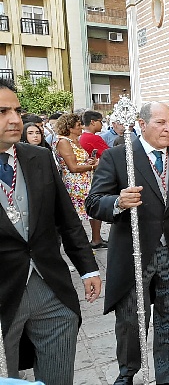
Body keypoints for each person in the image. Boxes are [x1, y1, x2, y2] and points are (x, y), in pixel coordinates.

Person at [86, 102, 169, 385]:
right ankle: (128, 372)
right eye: (160, 123)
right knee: (131, 320)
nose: (168, 128)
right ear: (142, 125)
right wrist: (117, 202)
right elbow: (93, 203)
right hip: (134, 255)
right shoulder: (118, 158)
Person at [0, 77, 101, 385]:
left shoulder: (39, 157)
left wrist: (87, 269)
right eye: (3, 112)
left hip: (49, 287)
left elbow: (66, 219)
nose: (15, 119)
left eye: (17, 110)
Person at [52, 113, 103, 248]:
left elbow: (79, 162)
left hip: (85, 180)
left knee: (93, 208)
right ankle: (76, 244)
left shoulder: (75, 141)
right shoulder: (63, 142)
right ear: (70, 127)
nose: (81, 127)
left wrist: (89, 161)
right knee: (76, 215)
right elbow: (73, 167)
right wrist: (93, 165)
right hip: (75, 183)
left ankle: (95, 239)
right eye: (78, 124)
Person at [80, 110, 110, 249]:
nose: (102, 124)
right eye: (100, 121)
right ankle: (96, 238)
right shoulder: (93, 138)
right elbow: (109, 154)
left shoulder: (82, 138)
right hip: (93, 175)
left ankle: (96, 237)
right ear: (93, 122)